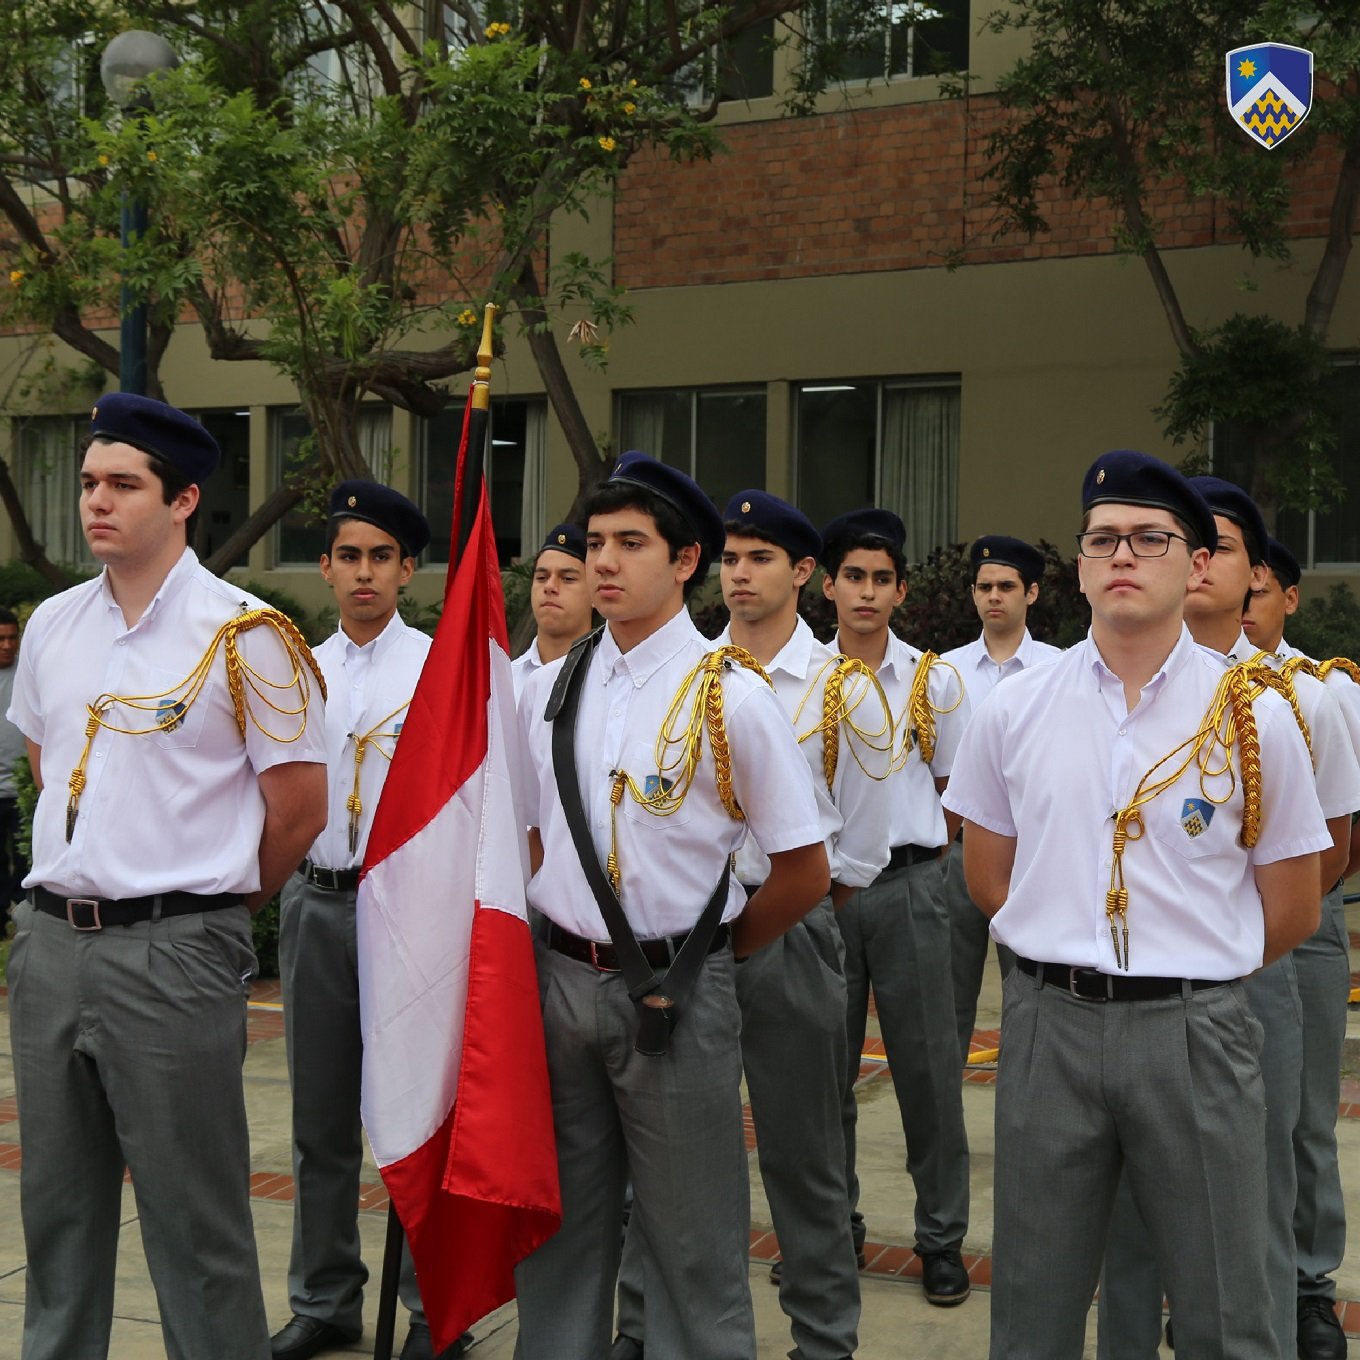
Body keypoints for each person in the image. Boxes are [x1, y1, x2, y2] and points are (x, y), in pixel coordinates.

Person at [943, 449, 1330, 1360]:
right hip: (1047, 1029)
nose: (1123, 554)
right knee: (1033, 1306)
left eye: (1150, 537)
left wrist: (1192, 962)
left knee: (1226, 1309)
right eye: (1103, 538)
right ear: (1077, 568)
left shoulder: (1255, 713)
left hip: (1196, 1036)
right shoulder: (1014, 707)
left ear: (1195, 565)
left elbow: (1294, 905)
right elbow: (988, 877)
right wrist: (1066, 952)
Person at [5, 392, 329, 1360]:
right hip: (53, 943)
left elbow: (299, 810)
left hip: (175, 950)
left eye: (123, 484)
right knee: (57, 1217)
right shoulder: (56, 625)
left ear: (182, 499)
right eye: (90, 482)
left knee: (197, 1226)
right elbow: (45, 768)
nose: (96, 501)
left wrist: (208, 912)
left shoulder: (249, 635)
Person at [514, 451, 830, 1360]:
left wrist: (711, 954)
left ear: (685, 561)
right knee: (561, 1235)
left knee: (694, 1246)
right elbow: (536, 836)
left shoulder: (731, 695)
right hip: (564, 984)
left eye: (631, 544)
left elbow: (802, 869)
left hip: (676, 997)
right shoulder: (551, 686)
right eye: (596, 543)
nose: (604, 563)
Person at [612, 489, 891, 1360]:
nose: (739, 574)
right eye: (729, 557)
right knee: (654, 1158)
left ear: (804, 573)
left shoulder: (845, 689)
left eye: (760, 557)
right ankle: (640, 1325)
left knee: (802, 1152)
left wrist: (758, 930)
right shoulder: (678, 672)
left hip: (783, 929)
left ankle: (822, 1337)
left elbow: (859, 858)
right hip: (669, 948)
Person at [1096, 477, 1360, 1360]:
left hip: (1267, 954)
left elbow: (1329, 852)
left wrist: (1238, 939)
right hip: (1142, 976)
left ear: (1246, 572)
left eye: (1224, 543)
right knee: (1134, 1179)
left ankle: (1290, 1303)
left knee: (1277, 1146)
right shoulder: (1103, 684)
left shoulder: (1297, 698)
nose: (1199, 558)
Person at [269, 482, 468, 1360]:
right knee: (319, 1118)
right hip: (317, 898)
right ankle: (325, 1297)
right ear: (325, 568)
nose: (362, 573)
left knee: (419, 1115)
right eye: (347, 556)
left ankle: (432, 1310)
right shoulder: (295, 667)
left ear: (406, 570)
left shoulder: (437, 668)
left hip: (407, 908)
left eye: (380, 557)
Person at [819, 508, 973, 1308]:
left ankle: (941, 1239)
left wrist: (914, 858)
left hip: (913, 887)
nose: (867, 592)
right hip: (821, 894)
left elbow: (957, 791)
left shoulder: (933, 680)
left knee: (929, 1074)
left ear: (901, 590)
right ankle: (830, 1229)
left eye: (882, 579)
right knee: (822, 1074)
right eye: (854, 576)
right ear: (828, 584)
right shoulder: (800, 678)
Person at [1248, 535, 1360, 1360]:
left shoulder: (1320, 692)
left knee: (1304, 1120)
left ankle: (1308, 1287)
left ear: (1288, 597)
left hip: (1306, 924)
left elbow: (1341, 840)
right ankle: (1233, 1280)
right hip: (1208, 937)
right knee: (1218, 1123)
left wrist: (1281, 917)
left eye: (1260, 585)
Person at [939, 535, 1061, 1062]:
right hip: (960, 851)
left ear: (1031, 593)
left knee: (1035, 999)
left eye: (1007, 586)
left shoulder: (1061, 670)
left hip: (1036, 857)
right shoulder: (944, 673)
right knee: (946, 1004)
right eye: (985, 586)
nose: (995, 596)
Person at [512, 522, 593, 701]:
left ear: (595, 593)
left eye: (567, 578)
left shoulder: (606, 680)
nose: (550, 586)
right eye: (542, 577)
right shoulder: (506, 682)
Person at [0, 607, 28, 921]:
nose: (8, 645)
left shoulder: (27, 672)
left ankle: (22, 916)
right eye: (1, 639)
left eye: (12, 638)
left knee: (24, 859)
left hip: (21, 787)